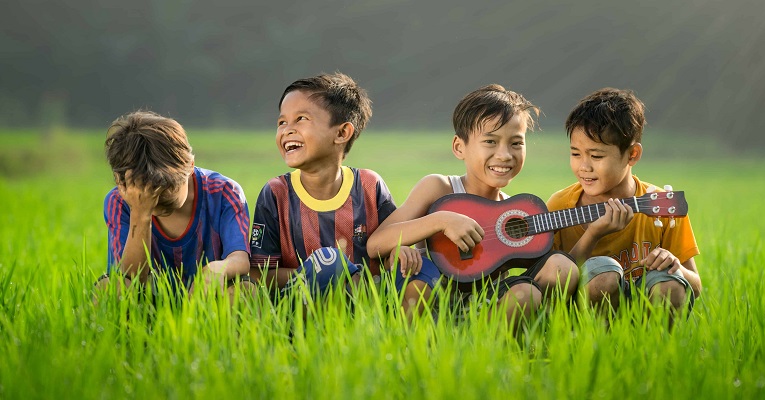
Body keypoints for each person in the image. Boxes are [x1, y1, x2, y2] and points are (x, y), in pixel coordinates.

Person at [367, 84, 579, 329]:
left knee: (550, 276)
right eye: (490, 141)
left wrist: (596, 228)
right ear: (459, 147)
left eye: (516, 143)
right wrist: (441, 220)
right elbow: (375, 244)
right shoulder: (440, 188)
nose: (504, 155)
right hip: (434, 301)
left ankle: (495, 345)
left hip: (486, 308)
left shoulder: (513, 211)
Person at [249, 72, 440, 316]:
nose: (288, 130)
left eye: (301, 119)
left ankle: (401, 337)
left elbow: (388, 244)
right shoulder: (276, 193)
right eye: (282, 122)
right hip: (303, 306)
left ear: (342, 133)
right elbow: (261, 273)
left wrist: (399, 252)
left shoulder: (370, 185)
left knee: (423, 267)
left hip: (368, 301)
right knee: (330, 261)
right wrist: (335, 274)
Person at [546, 88, 702, 316]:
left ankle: (655, 350)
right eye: (575, 154)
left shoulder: (661, 206)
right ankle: (600, 348)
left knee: (670, 285)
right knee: (604, 278)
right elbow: (550, 289)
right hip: (581, 318)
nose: (584, 167)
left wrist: (676, 267)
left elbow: (695, 287)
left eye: (596, 156)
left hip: (642, 312)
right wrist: (593, 234)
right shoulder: (560, 205)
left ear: (632, 155)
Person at [96, 111, 252, 302]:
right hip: (149, 303)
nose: (153, 198)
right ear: (122, 183)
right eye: (143, 190)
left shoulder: (224, 192)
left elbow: (240, 259)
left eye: (164, 188)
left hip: (209, 300)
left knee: (242, 290)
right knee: (110, 289)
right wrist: (140, 212)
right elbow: (130, 279)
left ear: (190, 166)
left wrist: (216, 269)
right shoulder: (119, 202)